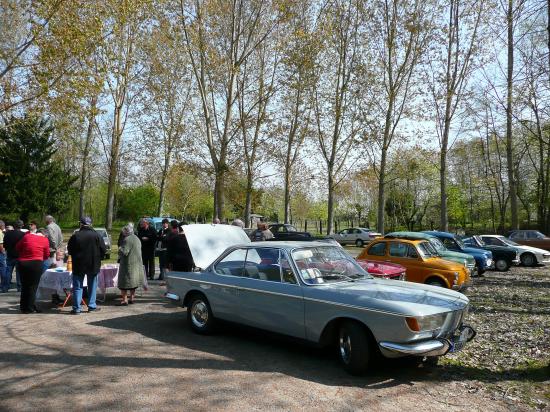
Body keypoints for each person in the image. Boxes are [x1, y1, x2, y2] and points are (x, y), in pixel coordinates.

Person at [67, 217, 106, 315]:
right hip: (93, 263)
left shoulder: (76, 235)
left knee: (78, 286)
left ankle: (77, 308)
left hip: (79, 264)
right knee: (92, 285)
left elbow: (70, 250)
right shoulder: (96, 235)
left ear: (81, 224)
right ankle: (92, 306)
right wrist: (98, 258)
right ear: (90, 224)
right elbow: (103, 249)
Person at [15, 231, 49, 313]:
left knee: (24, 285)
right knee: (33, 286)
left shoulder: (26, 236)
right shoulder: (45, 240)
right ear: (43, 235)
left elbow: (17, 247)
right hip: (36, 263)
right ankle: (30, 308)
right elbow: (46, 255)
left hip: (23, 263)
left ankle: (23, 307)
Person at [117, 223, 144, 306]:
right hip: (137, 264)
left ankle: (125, 300)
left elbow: (124, 252)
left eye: (123, 232)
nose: (123, 234)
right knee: (133, 283)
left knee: (124, 283)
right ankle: (132, 298)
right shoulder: (137, 238)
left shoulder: (127, 240)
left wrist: (120, 249)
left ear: (126, 232)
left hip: (128, 265)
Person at [4, 220, 25, 291]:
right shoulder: (23, 234)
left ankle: (5, 287)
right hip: (19, 255)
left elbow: (5, 244)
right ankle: (19, 287)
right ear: (22, 226)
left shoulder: (7, 233)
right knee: (19, 273)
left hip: (10, 254)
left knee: (8, 272)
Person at [0, 220, 6, 293]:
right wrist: (3, 252)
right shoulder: (0, 233)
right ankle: (3, 286)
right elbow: (0, 244)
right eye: (3, 225)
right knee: (3, 269)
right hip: (0, 253)